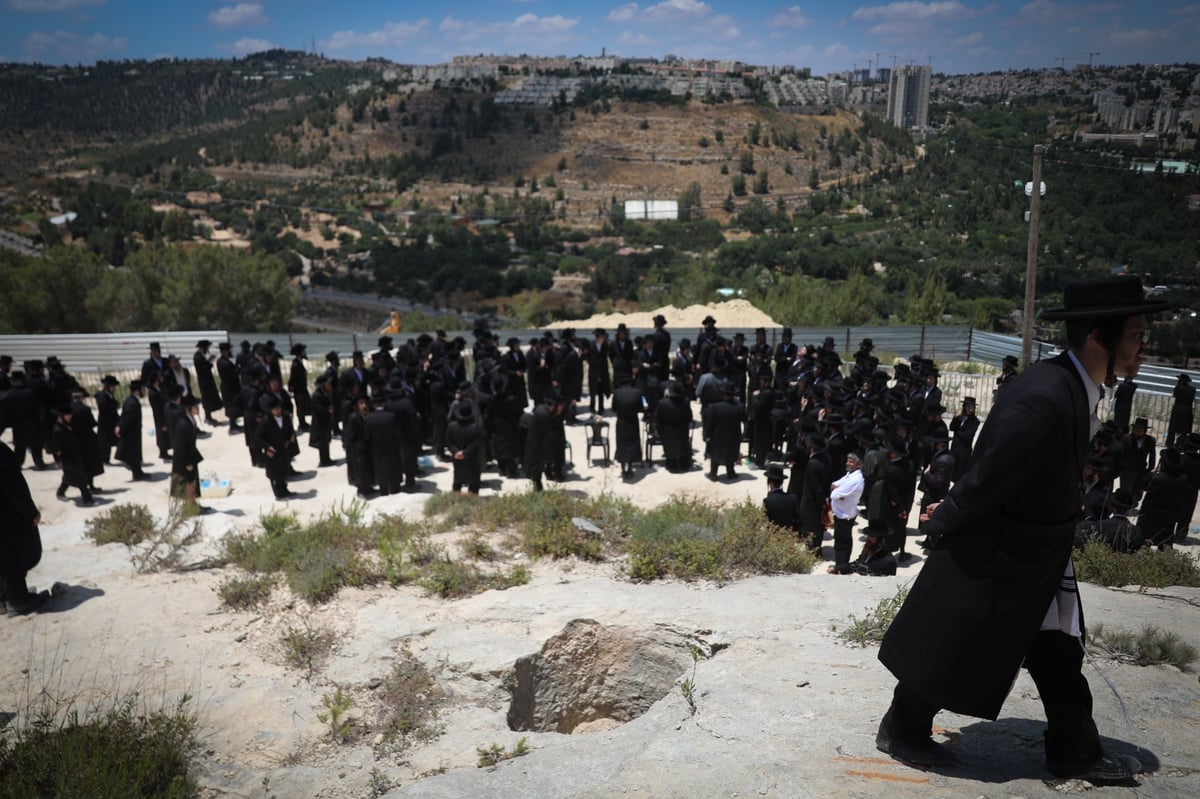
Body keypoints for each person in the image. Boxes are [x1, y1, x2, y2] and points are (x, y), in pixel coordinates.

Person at [876, 275, 1167, 784]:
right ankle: (903, 726)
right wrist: (945, 521)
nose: (1145, 347)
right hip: (1005, 552)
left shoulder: (1074, 387)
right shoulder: (1045, 396)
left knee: (1057, 650)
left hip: (1038, 551)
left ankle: (1074, 750)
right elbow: (990, 476)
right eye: (1137, 334)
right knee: (953, 636)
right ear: (1100, 336)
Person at [0, 441, 50, 615]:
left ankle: (3, 599)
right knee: (14, 556)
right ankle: (19, 600)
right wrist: (31, 513)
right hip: (7, 517)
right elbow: (14, 487)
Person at [828, 452, 865, 572]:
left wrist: (838, 492)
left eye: (851, 462)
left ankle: (841, 567)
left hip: (845, 515)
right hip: (842, 514)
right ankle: (841, 564)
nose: (848, 463)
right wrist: (838, 491)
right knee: (842, 540)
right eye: (848, 461)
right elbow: (834, 485)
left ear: (858, 465)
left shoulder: (855, 480)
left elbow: (834, 494)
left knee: (842, 543)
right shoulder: (849, 475)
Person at [256, 395, 298, 500]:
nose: (278, 410)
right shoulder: (266, 421)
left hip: (283, 449)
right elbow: (258, 437)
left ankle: (284, 490)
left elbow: (289, 430)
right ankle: (278, 493)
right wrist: (267, 447)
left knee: (284, 470)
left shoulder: (285, 417)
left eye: (278, 408)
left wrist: (289, 440)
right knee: (275, 473)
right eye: (275, 409)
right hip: (272, 451)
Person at [170, 395, 205, 512]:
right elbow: (180, 446)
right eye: (195, 406)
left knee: (193, 480)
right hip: (184, 458)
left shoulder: (190, 420)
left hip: (190, 454)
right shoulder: (183, 424)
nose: (198, 408)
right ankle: (190, 507)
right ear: (189, 408)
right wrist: (187, 462)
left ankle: (193, 503)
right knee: (188, 482)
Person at [115, 379, 150, 480]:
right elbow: (127, 418)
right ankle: (137, 473)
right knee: (133, 453)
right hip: (131, 433)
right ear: (137, 390)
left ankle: (138, 472)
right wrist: (121, 429)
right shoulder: (132, 403)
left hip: (132, 432)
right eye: (143, 389)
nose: (144, 391)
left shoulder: (131, 400)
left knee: (134, 453)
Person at [763, 463, 802, 535]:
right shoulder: (793, 498)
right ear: (782, 482)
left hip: (773, 538)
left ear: (770, 483)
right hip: (788, 537)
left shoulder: (768, 501)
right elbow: (799, 520)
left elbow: (766, 522)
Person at [194, 340, 223, 425]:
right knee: (206, 399)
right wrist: (210, 361)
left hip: (207, 380)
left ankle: (209, 416)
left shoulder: (201, 356)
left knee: (209, 398)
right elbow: (203, 369)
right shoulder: (198, 357)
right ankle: (208, 417)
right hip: (204, 381)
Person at [1167, 373, 1194, 447]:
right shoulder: (1192, 389)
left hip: (1177, 410)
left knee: (1172, 430)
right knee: (1184, 431)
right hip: (1187, 411)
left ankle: (1169, 444)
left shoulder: (1178, 388)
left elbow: (1175, 395)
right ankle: (1181, 445)